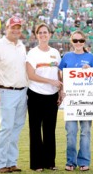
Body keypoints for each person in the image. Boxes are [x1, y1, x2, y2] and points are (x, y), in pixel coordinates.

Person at [0, 16, 28, 173]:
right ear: (7, 28)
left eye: (18, 27)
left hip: (22, 92)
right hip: (6, 92)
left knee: (16, 128)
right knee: (6, 128)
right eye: (13, 27)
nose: (16, 30)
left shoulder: (21, 46)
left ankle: (11, 162)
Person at [58, 30, 93, 171]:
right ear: (71, 42)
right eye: (75, 40)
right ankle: (70, 161)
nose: (78, 43)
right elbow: (60, 76)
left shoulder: (91, 58)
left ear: (84, 41)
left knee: (85, 131)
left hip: (87, 101)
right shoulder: (67, 57)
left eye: (81, 40)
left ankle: (84, 161)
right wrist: (61, 90)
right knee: (70, 132)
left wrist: (90, 70)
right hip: (70, 102)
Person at [26, 23, 63, 172]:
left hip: (51, 96)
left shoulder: (55, 52)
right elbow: (31, 75)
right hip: (35, 95)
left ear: (50, 35)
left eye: (45, 32)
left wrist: (61, 90)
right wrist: (50, 82)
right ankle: (37, 164)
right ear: (36, 35)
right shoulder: (32, 53)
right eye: (40, 33)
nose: (43, 35)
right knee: (35, 130)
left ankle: (49, 162)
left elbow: (59, 73)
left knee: (49, 130)